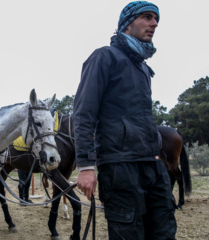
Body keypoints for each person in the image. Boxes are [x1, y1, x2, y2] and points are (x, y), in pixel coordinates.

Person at [73, 1, 177, 239]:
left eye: (156, 19)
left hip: (153, 164)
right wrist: (86, 166)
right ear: (127, 23)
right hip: (120, 167)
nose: (155, 24)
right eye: (147, 17)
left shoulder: (143, 68)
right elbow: (83, 113)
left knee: (165, 231)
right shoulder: (104, 57)